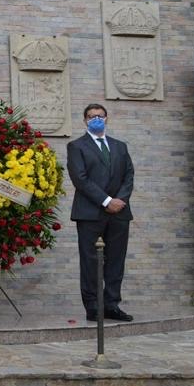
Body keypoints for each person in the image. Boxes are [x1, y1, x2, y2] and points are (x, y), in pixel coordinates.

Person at [67, 103, 135, 322]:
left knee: (116, 259)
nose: (96, 119)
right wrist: (106, 201)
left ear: (107, 119)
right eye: (91, 116)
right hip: (90, 212)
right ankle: (93, 306)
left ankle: (112, 304)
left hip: (119, 212)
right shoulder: (76, 146)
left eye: (100, 116)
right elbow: (80, 178)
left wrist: (119, 200)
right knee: (90, 260)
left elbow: (129, 175)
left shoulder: (120, 146)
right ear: (84, 120)